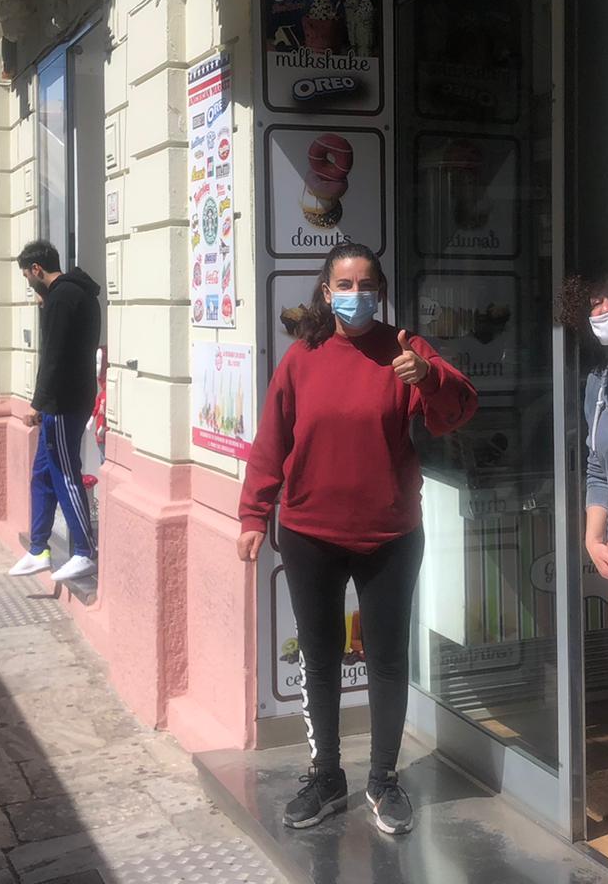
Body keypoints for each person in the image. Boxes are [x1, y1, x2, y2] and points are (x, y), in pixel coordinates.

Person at [239, 243, 478, 837]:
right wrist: (253, 514)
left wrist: (429, 376)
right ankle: (325, 776)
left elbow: (457, 410)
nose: (355, 295)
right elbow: (272, 441)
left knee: (388, 659)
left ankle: (384, 779)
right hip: (310, 534)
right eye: (343, 285)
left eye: (366, 285)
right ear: (326, 293)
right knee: (319, 658)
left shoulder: (405, 351)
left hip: (390, 535)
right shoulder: (302, 358)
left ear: (381, 291)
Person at [559, 265, 608, 873]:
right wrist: (593, 535)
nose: (604, 308)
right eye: (594, 301)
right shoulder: (601, 382)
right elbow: (595, 467)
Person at [8, 240, 103, 584]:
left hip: (63, 402)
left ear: (37, 269)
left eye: (27, 276)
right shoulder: (68, 295)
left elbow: (54, 356)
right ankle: (38, 548)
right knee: (43, 474)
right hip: (65, 399)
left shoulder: (63, 298)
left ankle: (84, 551)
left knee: (64, 474)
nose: (28, 283)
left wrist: (38, 403)